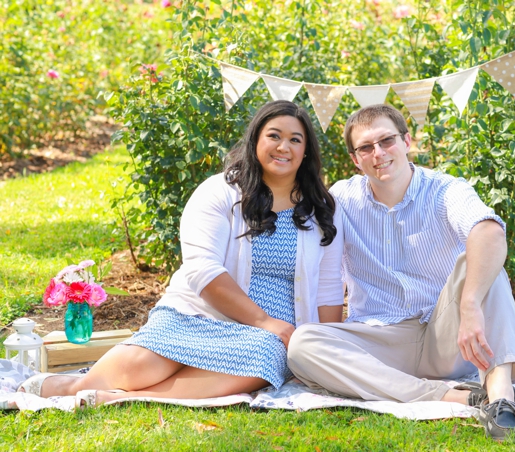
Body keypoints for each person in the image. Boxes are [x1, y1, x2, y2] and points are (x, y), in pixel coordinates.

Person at [18, 100, 344, 407]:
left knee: (262, 357)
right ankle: (73, 387)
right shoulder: (220, 192)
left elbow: (329, 287)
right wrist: (263, 320)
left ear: (306, 152)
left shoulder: (321, 209)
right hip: (200, 313)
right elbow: (203, 270)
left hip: (274, 335)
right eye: (274, 135)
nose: (283, 147)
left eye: (295, 140)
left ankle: (116, 398)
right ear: (255, 140)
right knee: (139, 368)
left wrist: (322, 347)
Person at [287, 104, 515, 441]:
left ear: (407, 141)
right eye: (365, 147)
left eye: (386, 141)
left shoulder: (446, 189)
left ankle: (503, 399)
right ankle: (464, 398)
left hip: (445, 337)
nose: (378, 154)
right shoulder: (341, 199)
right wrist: (333, 341)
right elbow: (330, 279)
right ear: (355, 159)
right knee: (303, 343)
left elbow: (490, 232)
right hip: (383, 340)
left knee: (481, 262)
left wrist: (469, 306)